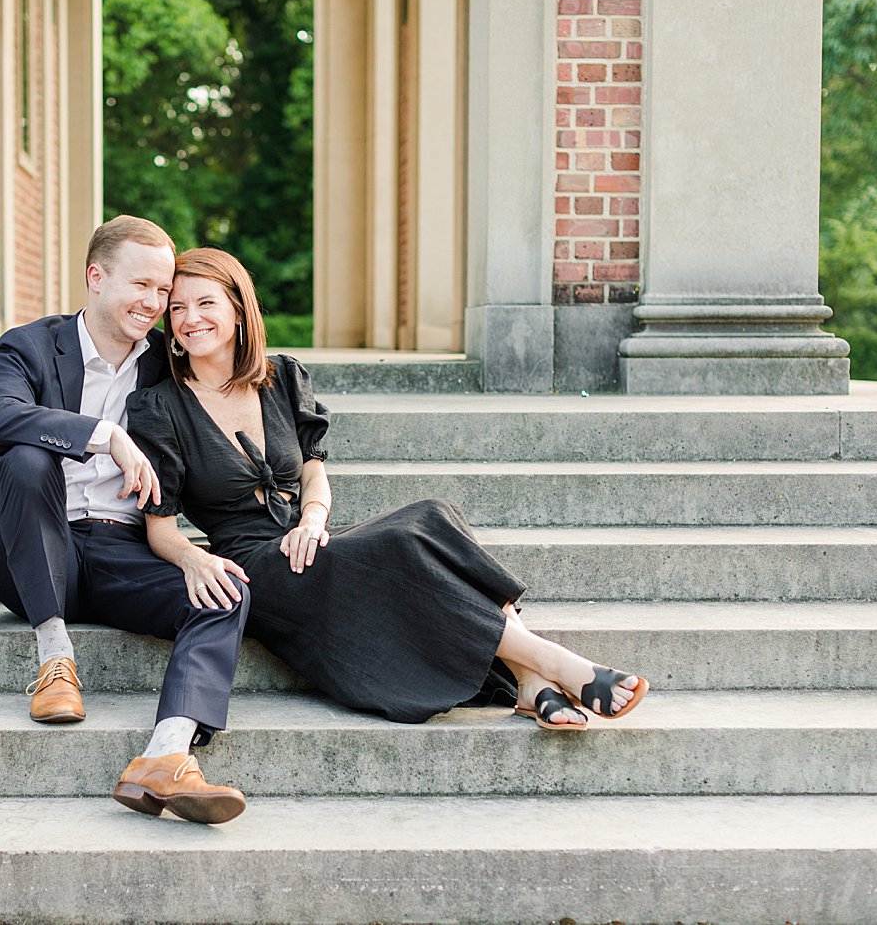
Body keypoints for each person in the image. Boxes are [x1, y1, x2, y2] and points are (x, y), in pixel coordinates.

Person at [126, 247, 649, 731]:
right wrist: (195, 561)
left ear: (238, 310)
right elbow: (162, 530)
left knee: (431, 516)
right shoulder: (160, 406)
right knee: (398, 548)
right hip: (254, 563)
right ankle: (555, 663)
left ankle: (531, 680)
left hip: (306, 536)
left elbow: (312, 469)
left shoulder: (281, 376)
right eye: (177, 309)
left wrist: (313, 519)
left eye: (205, 303)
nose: (191, 318)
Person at [0, 217, 250, 825]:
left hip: (126, 546)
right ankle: (54, 660)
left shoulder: (164, 365)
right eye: (141, 285)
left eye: (162, 290)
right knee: (23, 457)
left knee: (223, 593)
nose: (154, 304)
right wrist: (107, 437)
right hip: (35, 546)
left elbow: (232, 396)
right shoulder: (30, 346)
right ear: (96, 278)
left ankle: (167, 755)